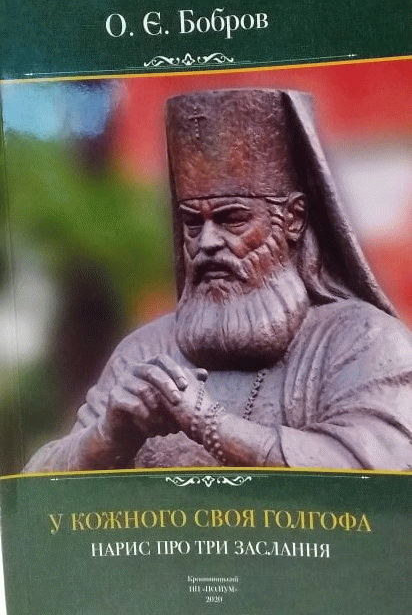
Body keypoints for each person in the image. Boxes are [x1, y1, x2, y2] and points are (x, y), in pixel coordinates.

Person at [25, 89, 412, 472]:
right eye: (193, 223)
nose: (207, 242)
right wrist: (105, 437)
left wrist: (209, 423)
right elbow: (38, 481)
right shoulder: (143, 352)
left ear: (293, 219)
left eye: (232, 219)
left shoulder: (364, 340)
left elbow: (381, 466)